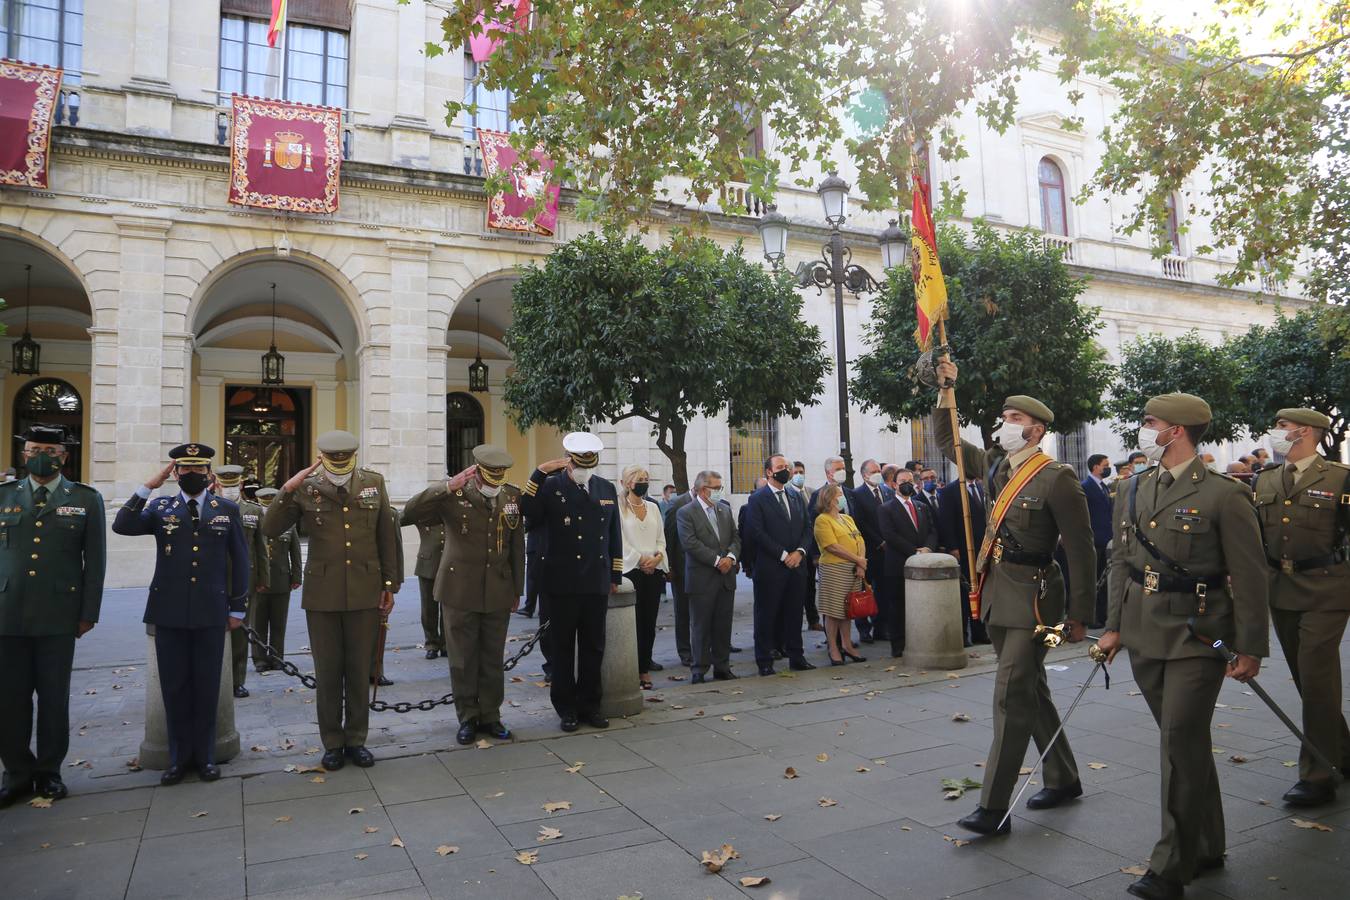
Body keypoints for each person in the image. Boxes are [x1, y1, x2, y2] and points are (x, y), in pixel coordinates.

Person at [1097, 394, 1269, 900]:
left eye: (1151, 423)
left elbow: (1251, 576)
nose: (1144, 430)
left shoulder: (1224, 495)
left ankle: (1171, 865)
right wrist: (1112, 628)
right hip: (1144, 630)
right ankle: (1208, 843)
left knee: (1177, 742)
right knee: (1186, 745)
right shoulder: (1131, 488)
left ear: (1177, 431)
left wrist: (1251, 647)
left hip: (1199, 633)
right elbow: (1120, 566)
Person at [933, 360, 1095, 837]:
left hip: (1036, 597)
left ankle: (993, 806)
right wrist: (947, 393)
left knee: (1009, 694)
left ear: (1036, 430)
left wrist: (1081, 615)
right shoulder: (995, 464)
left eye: (1012, 419)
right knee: (1030, 688)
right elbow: (948, 443)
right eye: (1003, 417)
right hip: (998, 590)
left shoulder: (1056, 477)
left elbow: (1082, 550)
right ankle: (1063, 777)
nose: (1003, 425)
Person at [262, 431, 399, 771]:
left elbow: (386, 534)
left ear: (353, 455)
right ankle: (333, 743)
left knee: (357, 670)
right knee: (327, 672)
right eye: (332, 458)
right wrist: (288, 488)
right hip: (322, 594)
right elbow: (269, 527)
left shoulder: (373, 481)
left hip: (366, 588)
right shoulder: (307, 486)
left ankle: (356, 740)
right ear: (321, 456)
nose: (338, 464)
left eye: (344, 458)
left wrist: (389, 585)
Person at [113, 443, 249, 785]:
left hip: (211, 609)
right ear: (176, 473)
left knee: (206, 687)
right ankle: (177, 759)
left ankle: (204, 758)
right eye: (185, 470)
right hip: (169, 610)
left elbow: (241, 561)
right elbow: (122, 525)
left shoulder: (226, 508)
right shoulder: (160, 506)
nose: (192, 475)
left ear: (208, 474)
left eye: (198, 470)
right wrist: (149, 485)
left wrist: (237, 606)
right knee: (174, 688)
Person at [0, 425, 106, 807]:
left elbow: (95, 562)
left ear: (64, 455)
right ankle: (16, 773)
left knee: (53, 699)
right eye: (33, 448)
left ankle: (48, 772)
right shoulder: (4, 496)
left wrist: (87, 612)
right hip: (6, 614)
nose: (41, 455)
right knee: (8, 700)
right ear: (23, 453)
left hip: (59, 615)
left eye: (50, 449)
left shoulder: (85, 499)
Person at [1252, 408, 1350, 808]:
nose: (1277, 433)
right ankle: (1342, 749)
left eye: (1283, 427)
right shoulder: (1266, 478)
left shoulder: (1341, 478)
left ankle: (1318, 772)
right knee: (1306, 678)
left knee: (1315, 674)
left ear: (1304, 432)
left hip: (1327, 588)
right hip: (1281, 587)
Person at [403, 445, 525, 745]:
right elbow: (408, 514)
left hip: (498, 587)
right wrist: (446, 486)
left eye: (499, 477)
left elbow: (516, 545)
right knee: (462, 659)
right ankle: (468, 717)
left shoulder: (511, 495)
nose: (495, 482)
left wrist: (517, 589)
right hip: (459, 588)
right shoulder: (454, 496)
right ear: (477, 472)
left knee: (492, 658)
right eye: (489, 477)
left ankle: (491, 715)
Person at [520, 432, 622, 732]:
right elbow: (529, 513)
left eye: (589, 464)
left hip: (595, 580)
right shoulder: (551, 487)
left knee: (594, 647)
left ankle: (591, 705)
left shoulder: (605, 488)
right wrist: (538, 473)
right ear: (569, 462)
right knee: (562, 650)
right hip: (561, 582)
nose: (584, 469)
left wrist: (614, 574)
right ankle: (566, 708)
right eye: (579, 464)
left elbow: (613, 534)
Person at [743, 454, 815, 675]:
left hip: (797, 566)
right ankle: (764, 660)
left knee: (794, 613)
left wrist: (800, 552)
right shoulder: (758, 499)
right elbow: (757, 532)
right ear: (769, 472)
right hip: (771, 567)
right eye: (780, 467)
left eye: (787, 467)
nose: (786, 470)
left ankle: (796, 655)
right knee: (766, 615)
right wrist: (784, 555)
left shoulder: (795, 496)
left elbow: (807, 528)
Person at [677, 470, 741, 683]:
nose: (719, 492)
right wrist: (716, 561)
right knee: (700, 626)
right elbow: (690, 543)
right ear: (703, 490)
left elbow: (735, 537)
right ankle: (699, 668)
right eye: (716, 488)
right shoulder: (686, 512)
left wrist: (730, 558)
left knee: (723, 624)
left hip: (725, 577)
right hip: (702, 578)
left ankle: (722, 666)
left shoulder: (724, 508)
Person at [215, 465, 269, 699]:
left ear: (240, 485)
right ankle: (215, 679)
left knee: (241, 632)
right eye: (224, 485)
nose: (229, 489)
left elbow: (261, 546)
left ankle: (237, 680)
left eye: (233, 485)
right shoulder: (207, 507)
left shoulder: (253, 510)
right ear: (217, 485)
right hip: (213, 579)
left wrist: (263, 578)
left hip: (245, 578)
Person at [618, 465, 668, 690]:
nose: (644, 483)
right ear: (628, 482)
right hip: (631, 572)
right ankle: (629, 669)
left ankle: (644, 668)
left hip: (653, 573)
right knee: (632, 624)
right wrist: (640, 560)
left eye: (646, 479)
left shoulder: (653, 507)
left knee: (648, 623)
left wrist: (657, 558)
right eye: (640, 479)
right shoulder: (619, 508)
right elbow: (619, 541)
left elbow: (661, 539)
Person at [879, 471, 938, 657]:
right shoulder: (886, 508)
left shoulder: (921, 506)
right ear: (894, 484)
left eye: (910, 481)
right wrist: (914, 551)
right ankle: (898, 645)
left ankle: (920, 641)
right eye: (903, 481)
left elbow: (932, 530)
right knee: (898, 606)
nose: (907, 484)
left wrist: (927, 548)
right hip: (898, 565)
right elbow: (889, 535)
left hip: (922, 563)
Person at [813, 483, 868, 665]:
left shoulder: (846, 518)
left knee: (847, 610)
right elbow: (832, 546)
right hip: (834, 569)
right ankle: (833, 647)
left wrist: (861, 562)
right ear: (829, 498)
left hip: (853, 569)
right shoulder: (822, 520)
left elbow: (860, 540)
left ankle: (847, 644)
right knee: (834, 611)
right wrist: (857, 560)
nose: (842, 497)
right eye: (839, 494)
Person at [251, 487, 301, 670]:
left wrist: (296, 576)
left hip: (281, 580)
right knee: (258, 623)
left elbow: (295, 552)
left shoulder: (288, 524)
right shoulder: (253, 522)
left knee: (279, 623)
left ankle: (277, 657)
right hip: (258, 581)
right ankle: (260, 659)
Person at [850, 458, 893, 644]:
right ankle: (863, 629)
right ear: (864, 474)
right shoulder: (856, 494)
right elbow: (860, 522)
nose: (878, 474)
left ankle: (881, 627)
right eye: (873, 471)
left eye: (878, 470)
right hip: (868, 551)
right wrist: (879, 541)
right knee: (863, 590)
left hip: (887, 551)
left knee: (883, 591)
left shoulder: (887, 491)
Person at [400, 505, 446, 659]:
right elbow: (399, 520)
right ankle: (432, 644)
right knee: (428, 609)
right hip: (427, 565)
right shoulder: (422, 512)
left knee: (448, 609)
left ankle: (446, 644)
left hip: (449, 566)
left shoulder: (453, 510)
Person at [663, 484, 696, 667]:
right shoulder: (677, 503)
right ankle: (685, 651)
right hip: (681, 567)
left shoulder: (713, 503)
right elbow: (669, 534)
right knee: (682, 612)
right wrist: (669, 566)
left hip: (704, 569)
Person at [1082, 454, 1114, 628]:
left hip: (1106, 539)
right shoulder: (1086, 487)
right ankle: (1092, 616)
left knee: (1105, 581)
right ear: (1095, 467)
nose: (1107, 468)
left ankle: (1103, 614)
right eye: (1105, 465)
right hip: (1094, 539)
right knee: (1094, 580)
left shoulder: (1104, 487)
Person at [738, 475, 767, 578]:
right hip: (755, 559)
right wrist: (746, 564)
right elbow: (743, 536)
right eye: (763, 488)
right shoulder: (746, 509)